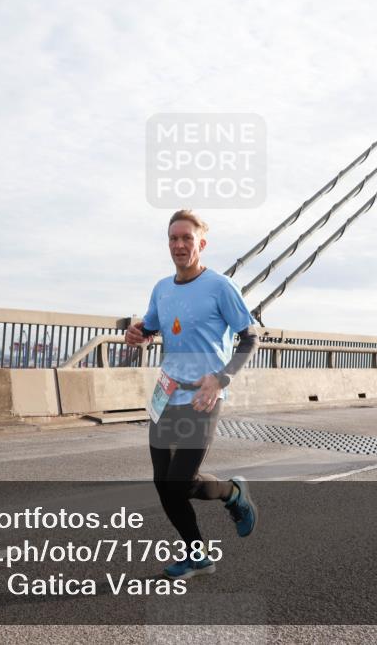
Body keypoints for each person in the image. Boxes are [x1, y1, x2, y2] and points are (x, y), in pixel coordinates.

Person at [125, 209, 259, 580]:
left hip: (202, 397)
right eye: (173, 238)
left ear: (202, 243)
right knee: (162, 484)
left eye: (187, 238)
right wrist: (138, 333)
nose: (179, 245)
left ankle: (233, 493)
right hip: (165, 394)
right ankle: (197, 554)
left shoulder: (220, 286)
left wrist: (221, 379)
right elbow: (150, 327)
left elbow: (250, 337)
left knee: (182, 483)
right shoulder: (161, 288)